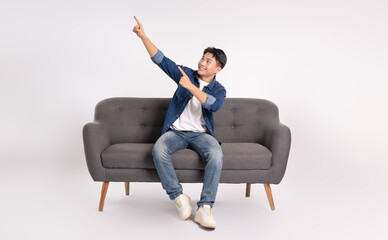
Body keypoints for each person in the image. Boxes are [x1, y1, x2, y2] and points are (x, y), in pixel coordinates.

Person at [132, 16, 227, 229]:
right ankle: (178, 197)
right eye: (203, 58)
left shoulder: (219, 90)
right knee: (159, 149)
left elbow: (213, 105)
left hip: (202, 135)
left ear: (217, 69)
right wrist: (143, 36)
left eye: (208, 61)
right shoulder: (185, 73)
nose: (202, 62)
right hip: (176, 132)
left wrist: (192, 88)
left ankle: (205, 208)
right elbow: (161, 60)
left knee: (216, 153)